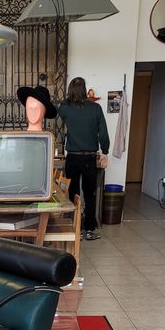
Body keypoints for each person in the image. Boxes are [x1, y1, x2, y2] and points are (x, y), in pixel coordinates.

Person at [58, 77, 109, 241]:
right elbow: (103, 132)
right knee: (90, 194)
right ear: (85, 90)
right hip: (89, 157)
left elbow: (59, 106)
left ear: (70, 91)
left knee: (72, 193)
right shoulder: (95, 108)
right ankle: (89, 229)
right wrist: (105, 152)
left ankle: (75, 229)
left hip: (72, 158)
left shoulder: (65, 108)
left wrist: (69, 98)